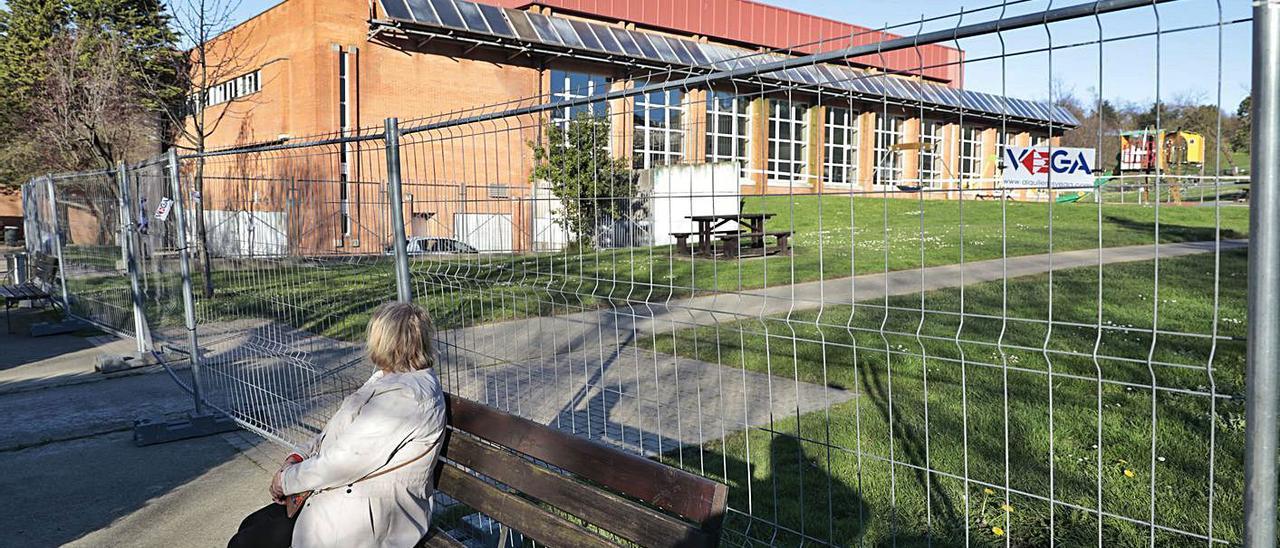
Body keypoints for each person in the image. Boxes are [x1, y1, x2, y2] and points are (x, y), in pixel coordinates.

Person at [229, 302, 447, 548]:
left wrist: (286, 480)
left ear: (384, 341)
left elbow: (344, 462)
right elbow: (333, 434)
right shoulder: (388, 380)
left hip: (371, 511)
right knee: (252, 527)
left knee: (247, 543)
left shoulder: (407, 398)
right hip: (346, 494)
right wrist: (297, 457)